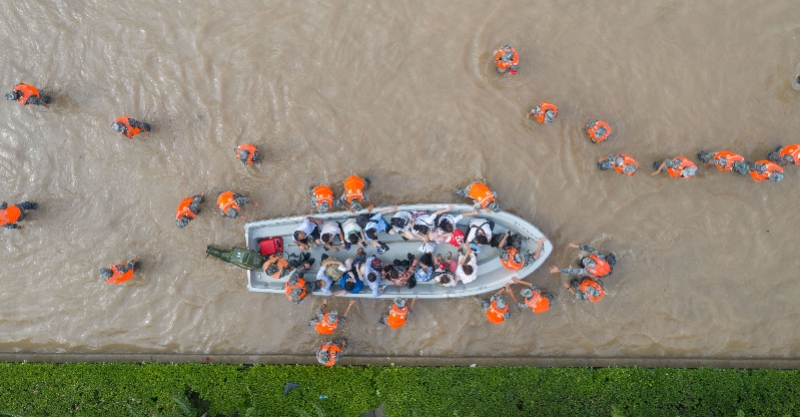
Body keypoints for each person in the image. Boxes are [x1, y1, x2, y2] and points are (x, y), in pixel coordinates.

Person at [550, 243, 616, 278]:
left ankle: (582, 262)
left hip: (603, 272)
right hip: (605, 269)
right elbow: (590, 249)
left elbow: (573, 271)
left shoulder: (588, 270)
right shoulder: (601, 257)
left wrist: (559, 270)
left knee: (581, 266)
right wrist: (576, 246)